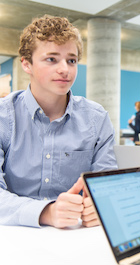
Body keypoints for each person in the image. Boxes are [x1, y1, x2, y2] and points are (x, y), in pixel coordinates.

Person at [0, 15, 117, 228]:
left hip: (75, 234)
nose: (65, 69)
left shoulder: (96, 119)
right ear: (26, 64)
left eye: (71, 60)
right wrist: (47, 212)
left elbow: (107, 187)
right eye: (51, 59)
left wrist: (101, 205)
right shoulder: (4, 117)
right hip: (13, 234)